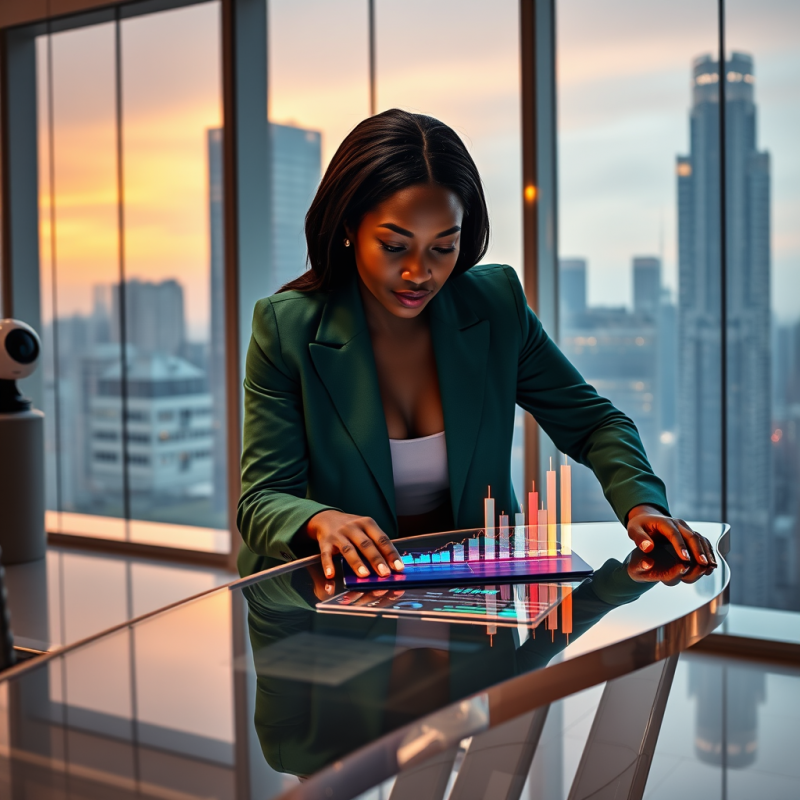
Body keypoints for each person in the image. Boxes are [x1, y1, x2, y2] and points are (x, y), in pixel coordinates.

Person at [237, 108, 717, 580]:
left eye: (442, 248)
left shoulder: (494, 306)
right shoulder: (288, 330)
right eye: (394, 245)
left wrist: (642, 505)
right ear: (348, 228)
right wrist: (320, 520)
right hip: (333, 613)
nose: (419, 273)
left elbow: (594, 423)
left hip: (478, 597)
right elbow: (261, 499)